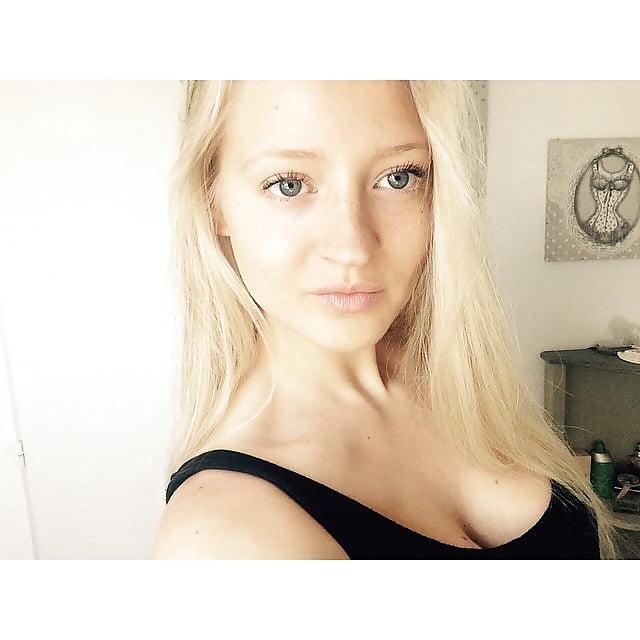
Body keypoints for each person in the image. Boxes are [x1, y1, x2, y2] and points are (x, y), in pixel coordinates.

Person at [153, 80, 618, 559]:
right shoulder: (224, 538)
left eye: (399, 177)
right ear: (212, 201)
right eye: (288, 184)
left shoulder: (454, 380)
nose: (353, 246)